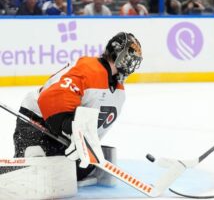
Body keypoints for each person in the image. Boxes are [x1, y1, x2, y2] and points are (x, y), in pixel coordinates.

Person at [13, 32, 142, 182]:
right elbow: (50, 97)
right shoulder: (89, 68)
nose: (132, 63)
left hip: (66, 135)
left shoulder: (119, 92)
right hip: (38, 120)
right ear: (117, 53)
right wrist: (70, 127)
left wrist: (85, 142)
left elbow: (92, 129)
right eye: (130, 56)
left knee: (77, 171)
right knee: (33, 165)